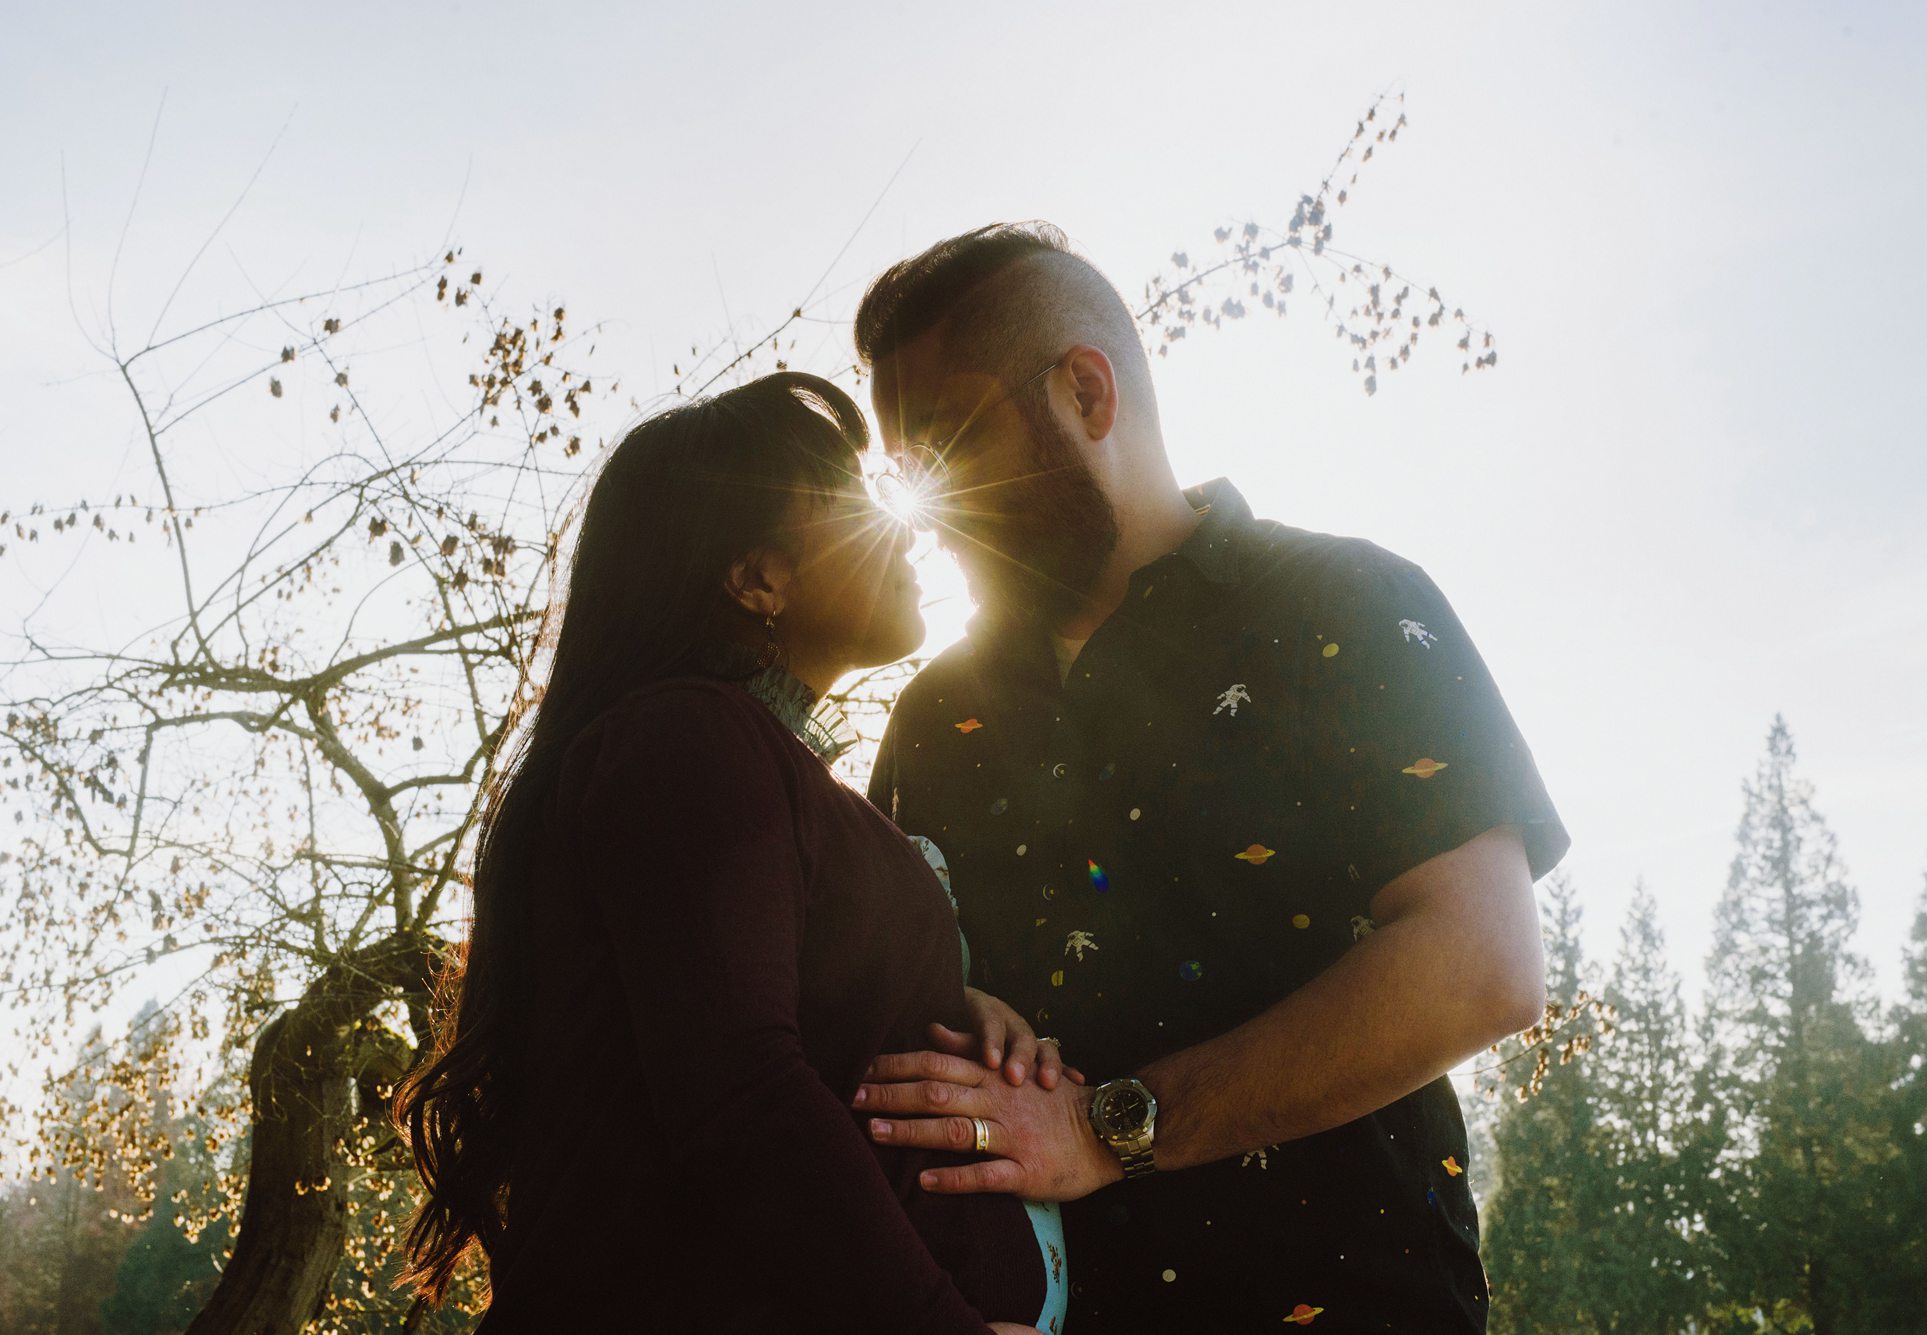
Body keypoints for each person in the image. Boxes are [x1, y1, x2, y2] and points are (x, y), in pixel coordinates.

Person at [847, 224, 1571, 1331]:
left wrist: (1105, 1130)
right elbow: (874, 1011)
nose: (929, 506)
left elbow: (1479, 964)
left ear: (1087, 394)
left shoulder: (1346, 603)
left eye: (950, 443)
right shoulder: (932, 716)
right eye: (908, 471)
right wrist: (941, 1000)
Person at [392, 372, 1069, 1333]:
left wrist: (941, 999)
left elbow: (752, 1010)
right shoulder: (686, 737)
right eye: (849, 501)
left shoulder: (752, 768)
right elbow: (740, 1093)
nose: (906, 528)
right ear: (756, 578)